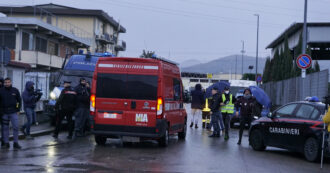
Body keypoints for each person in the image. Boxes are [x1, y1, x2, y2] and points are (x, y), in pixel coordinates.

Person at [0, 78, 22, 149]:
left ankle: (15, 143)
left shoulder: (15, 90)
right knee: (5, 128)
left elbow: (19, 101)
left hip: (13, 112)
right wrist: (1, 111)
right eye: (5, 82)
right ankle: (6, 143)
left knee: (15, 127)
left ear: (11, 82)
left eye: (8, 82)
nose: (7, 83)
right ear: (4, 83)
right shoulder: (1, 91)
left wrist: (18, 109)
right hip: (4, 113)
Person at [0, 78, 4, 147]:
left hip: (3, 112)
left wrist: (17, 108)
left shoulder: (4, 90)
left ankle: (4, 142)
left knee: (4, 127)